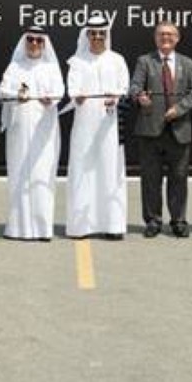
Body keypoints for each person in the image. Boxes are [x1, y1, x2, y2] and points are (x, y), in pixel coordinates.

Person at [129, 22, 192, 238]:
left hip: (179, 130)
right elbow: (135, 87)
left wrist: (179, 109)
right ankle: (153, 221)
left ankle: (178, 220)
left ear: (177, 38)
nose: (166, 37)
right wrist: (140, 97)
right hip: (150, 130)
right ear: (155, 38)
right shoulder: (144, 61)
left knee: (179, 178)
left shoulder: (188, 64)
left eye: (170, 34)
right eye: (161, 34)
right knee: (150, 179)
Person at [65, 14, 129, 239]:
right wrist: (78, 96)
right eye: (93, 33)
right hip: (84, 123)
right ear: (87, 35)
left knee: (110, 170)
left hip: (108, 125)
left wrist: (115, 97)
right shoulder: (76, 61)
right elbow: (72, 89)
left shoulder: (117, 60)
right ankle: (81, 226)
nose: (97, 37)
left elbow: (124, 87)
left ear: (106, 35)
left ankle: (112, 225)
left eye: (101, 33)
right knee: (83, 170)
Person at [0, 25, 64, 241]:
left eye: (38, 40)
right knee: (19, 175)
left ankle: (43, 229)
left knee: (42, 176)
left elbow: (60, 91)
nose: (34, 44)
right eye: (30, 40)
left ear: (44, 44)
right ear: (25, 42)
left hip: (44, 132)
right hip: (18, 131)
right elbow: (3, 91)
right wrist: (17, 94)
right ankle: (18, 228)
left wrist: (50, 98)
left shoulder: (51, 68)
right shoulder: (15, 67)